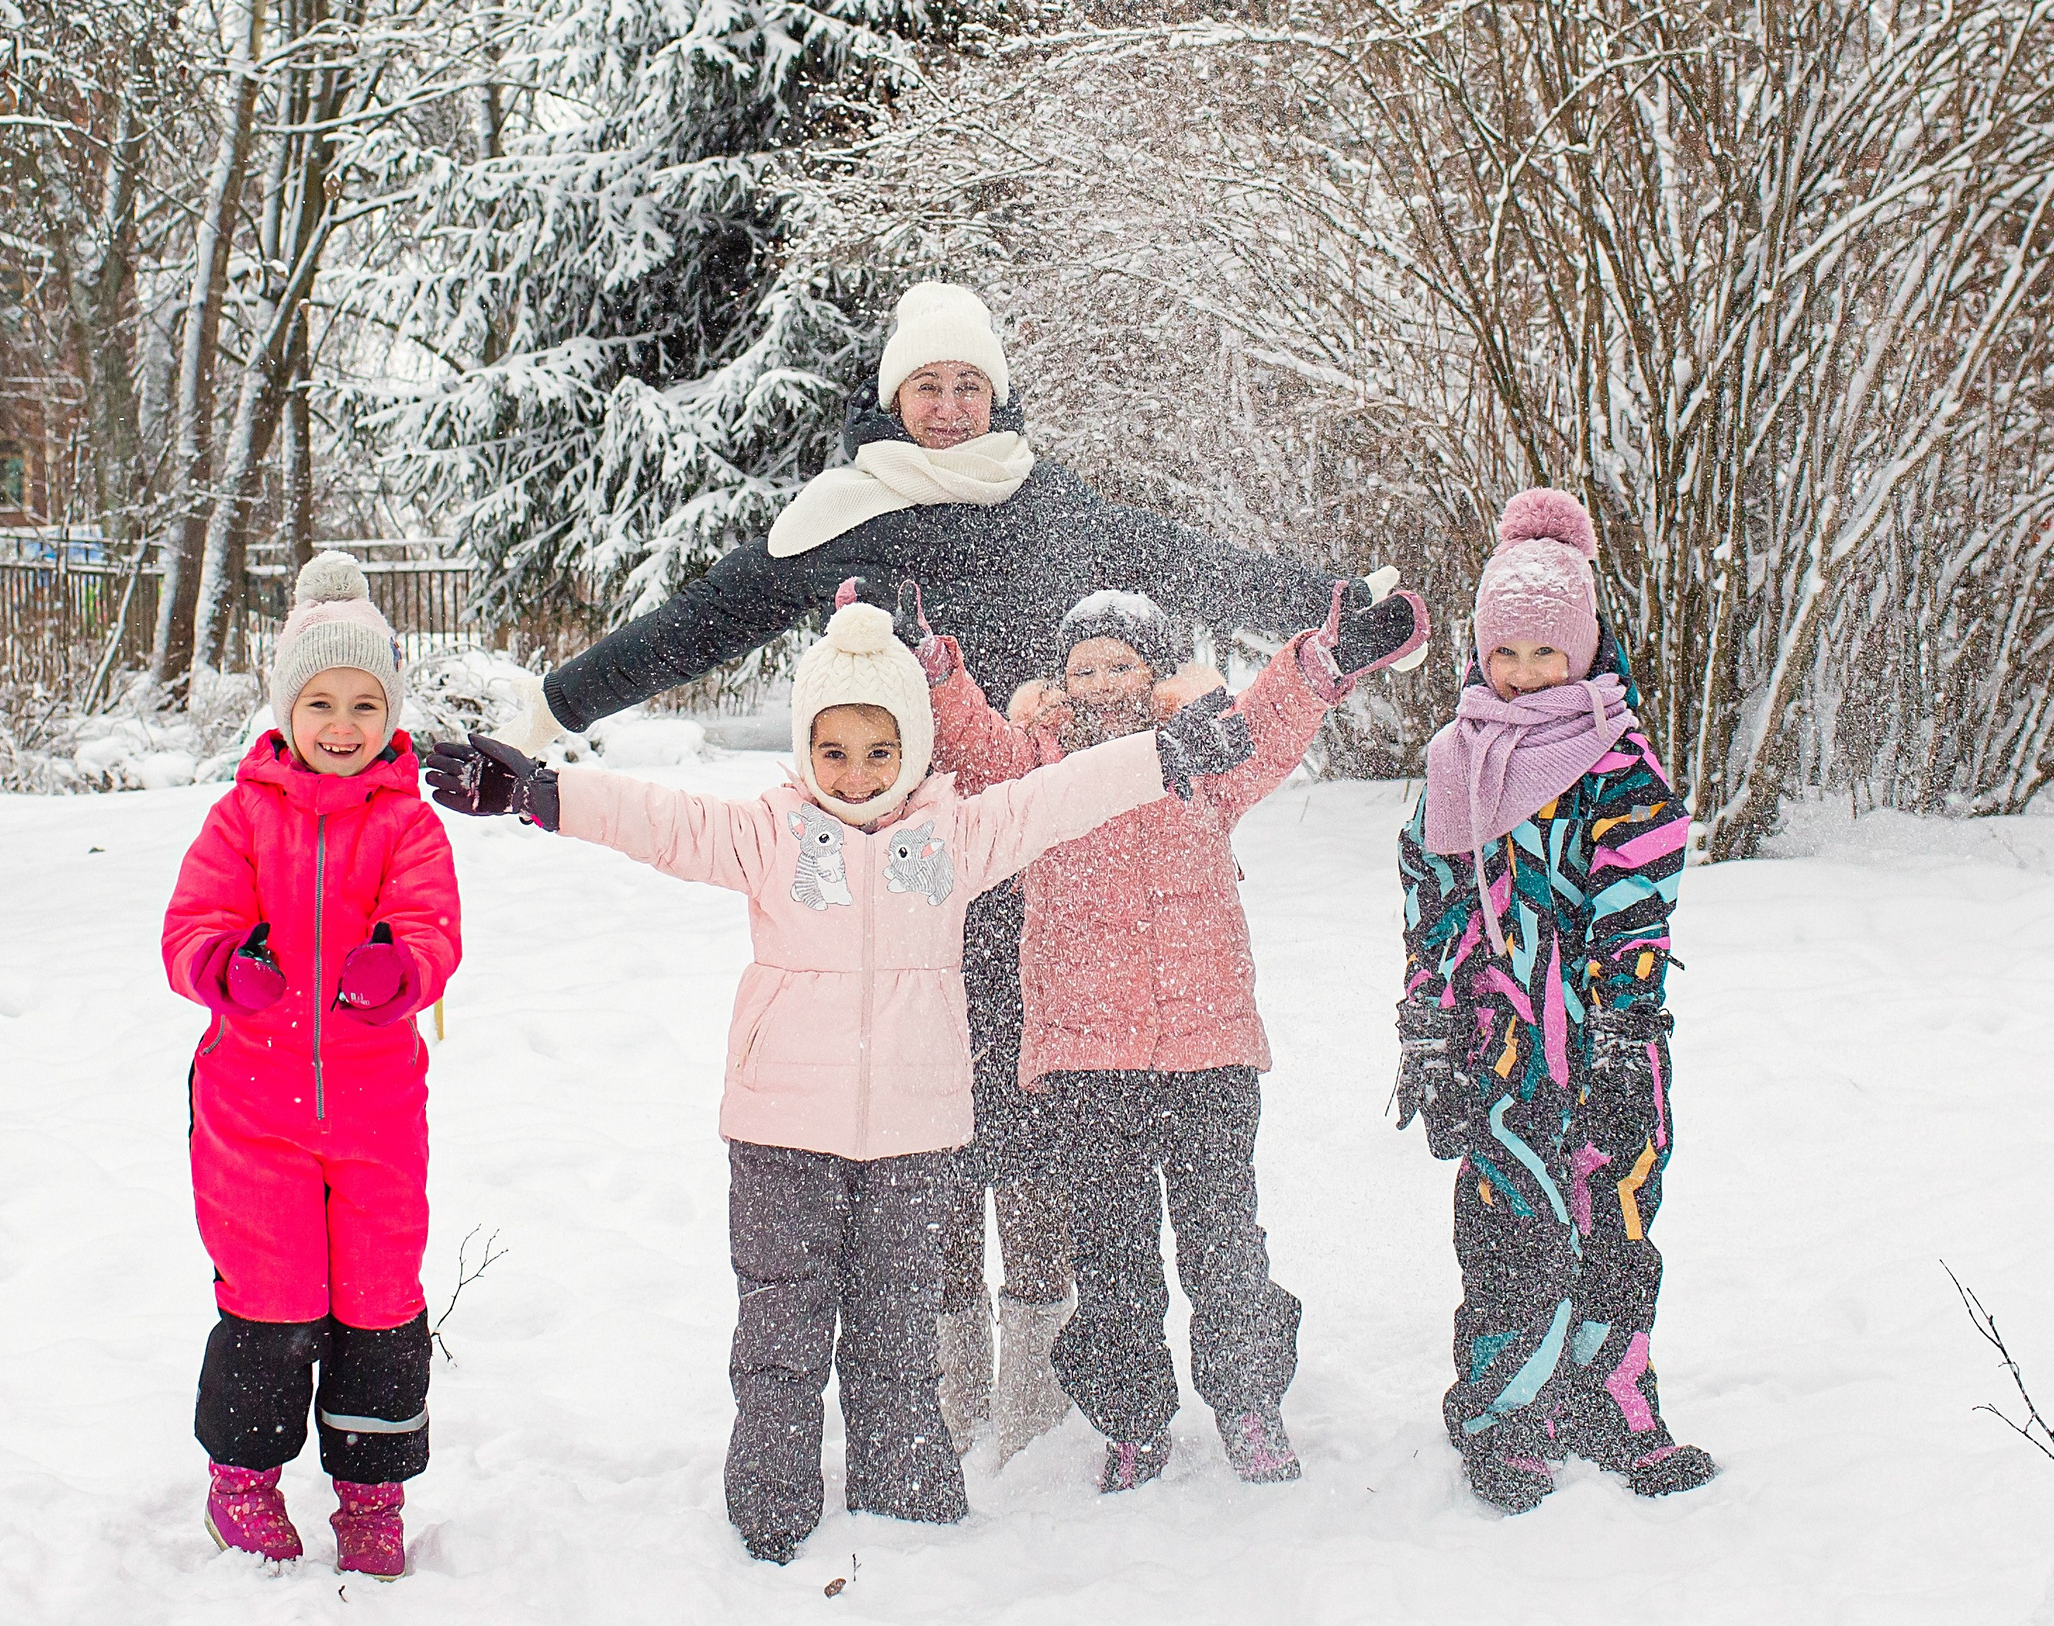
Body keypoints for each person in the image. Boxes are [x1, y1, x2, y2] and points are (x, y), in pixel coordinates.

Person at [491, 280, 1413, 1457]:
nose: (947, 405)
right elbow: (697, 622)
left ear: (996, 392)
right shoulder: (839, 518)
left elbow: (1178, 563)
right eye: (925, 385)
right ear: (891, 396)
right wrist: (558, 702)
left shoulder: (1045, 497)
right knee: (922, 1108)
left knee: (1036, 1112)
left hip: (1048, 845)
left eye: (967, 384)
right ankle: (939, 1378)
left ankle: (1038, 1379)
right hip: (904, 853)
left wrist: (1321, 603)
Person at [421, 598, 1259, 1562]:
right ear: (804, 749)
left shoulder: (953, 836)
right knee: (781, 1325)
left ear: (911, 746)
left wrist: (1164, 754)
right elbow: (664, 820)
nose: (857, 774)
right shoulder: (770, 836)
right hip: (783, 1130)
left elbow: (1059, 796)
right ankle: (772, 1493)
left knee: (896, 1327)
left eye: (879, 750)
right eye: (834, 751)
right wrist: (543, 792)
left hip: (912, 1132)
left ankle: (901, 1479)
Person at [925, 583, 1429, 1488]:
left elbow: (1270, 721)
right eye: (1084, 668)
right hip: (1089, 1059)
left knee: (1224, 1241)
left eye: (1121, 663)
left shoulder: (1202, 752)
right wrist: (937, 673)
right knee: (1115, 1253)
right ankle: (1131, 1422)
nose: (1104, 681)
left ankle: (1247, 1401)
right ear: (1060, 682)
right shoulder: (1037, 770)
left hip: (1208, 1046)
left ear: (1154, 671)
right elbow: (970, 741)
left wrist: (1320, 662)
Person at [1391, 489, 1715, 1514]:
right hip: (1498, 1044)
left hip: (1607, 1037)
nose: (1526, 676)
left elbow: (1636, 906)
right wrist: (1427, 1029)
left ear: (1582, 650)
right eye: (1507, 657)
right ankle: (1505, 1409)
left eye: (1546, 655)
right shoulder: (1453, 765)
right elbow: (1432, 907)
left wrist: (1625, 1019)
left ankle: (1610, 1394)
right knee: (1511, 1223)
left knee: (1615, 1210)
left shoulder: (1620, 763)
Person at [161, 554, 462, 1576]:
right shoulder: (240, 818)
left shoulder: (408, 823)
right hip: (255, 1116)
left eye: (364, 703)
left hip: (376, 1120)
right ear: (287, 709)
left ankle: (370, 1496)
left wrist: (401, 968)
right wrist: (225, 963)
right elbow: (190, 925)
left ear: (390, 712)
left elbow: (431, 930)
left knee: (380, 1301)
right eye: (321, 702)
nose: (343, 724)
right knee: (270, 1299)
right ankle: (240, 1480)